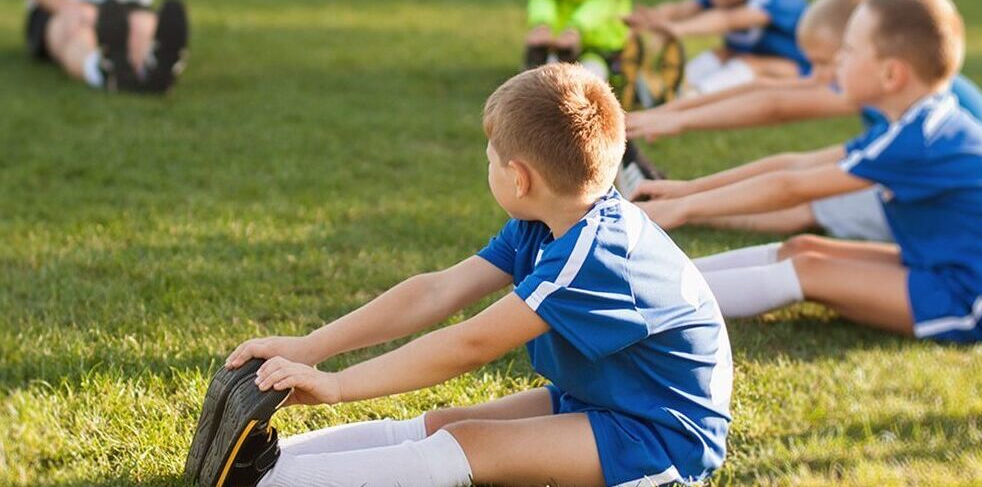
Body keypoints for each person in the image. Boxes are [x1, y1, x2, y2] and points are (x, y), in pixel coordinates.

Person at [184, 64, 733, 487]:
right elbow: (438, 290)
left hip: (661, 438)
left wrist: (338, 386)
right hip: (604, 398)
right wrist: (312, 347)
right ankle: (271, 465)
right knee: (448, 422)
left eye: (490, 157)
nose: (487, 165)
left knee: (472, 443)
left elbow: (469, 343)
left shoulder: (595, 257)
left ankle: (270, 482)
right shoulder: (552, 218)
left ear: (518, 178)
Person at [636, 0, 982, 343]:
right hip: (939, 266)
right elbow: (797, 165)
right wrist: (685, 191)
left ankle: (644, 303)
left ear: (891, 74)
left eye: (848, 51)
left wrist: (682, 209)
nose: (838, 61)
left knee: (809, 270)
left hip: (969, 297)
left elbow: (791, 187)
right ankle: (644, 284)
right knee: (801, 248)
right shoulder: (913, 122)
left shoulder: (918, 138)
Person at [628, 0, 982, 241]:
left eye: (825, 62)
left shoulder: (901, 94)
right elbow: (767, 98)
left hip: (955, 213)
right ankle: (672, 201)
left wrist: (687, 197)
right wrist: (668, 116)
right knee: (807, 183)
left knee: (811, 206)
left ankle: (673, 208)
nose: (813, 77)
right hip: (928, 188)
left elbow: (774, 107)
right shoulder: (895, 87)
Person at [626, 0, 810, 94]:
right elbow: (682, 8)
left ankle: (696, 97)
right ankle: (674, 87)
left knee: (751, 63)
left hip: (806, 71)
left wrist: (679, 29)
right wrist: (652, 17)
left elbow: (728, 20)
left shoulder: (778, 0)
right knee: (721, 53)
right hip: (758, 58)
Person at [25, 0, 187, 93]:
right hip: (64, 5)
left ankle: (151, 72)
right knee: (77, 33)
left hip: (127, 4)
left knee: (143, 25)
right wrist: (70, 7)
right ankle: (101, 70)